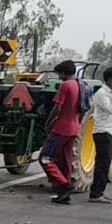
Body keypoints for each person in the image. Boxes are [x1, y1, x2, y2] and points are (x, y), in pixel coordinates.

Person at [40, 60, 81, 204]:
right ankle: (64, 194)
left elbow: (57, 108)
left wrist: (48, 122)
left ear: (63, 73)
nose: (58, 77)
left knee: (45, 157)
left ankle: (64, 185)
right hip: (74, 128)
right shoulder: (78, 84)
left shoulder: (65, 85)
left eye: (58, 74)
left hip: (61, 128)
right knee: (65, 160)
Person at [88, 66, 112, 203]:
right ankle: (96, 193)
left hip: (109, 130)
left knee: (105, 162)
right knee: (102, 163)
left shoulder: (109, 93)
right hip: (102, 131)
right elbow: (111, 110)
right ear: (110, 80)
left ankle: (99, 191)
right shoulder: (102, 93)